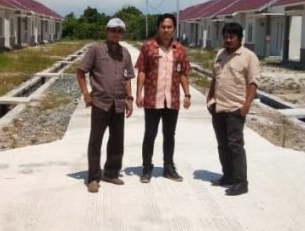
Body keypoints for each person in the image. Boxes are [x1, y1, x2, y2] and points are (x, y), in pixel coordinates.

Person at [76, 17, 135, 193]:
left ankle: (110, 172)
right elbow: (80, 72)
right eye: (113, 30)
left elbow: (127, 78)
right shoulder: (96, 49)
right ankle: (93, 178)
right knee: (96, 141)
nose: (116, 33)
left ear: (122, 34)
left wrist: (130, 99)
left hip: (119, 104)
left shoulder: (125, 53)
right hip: (100, 102)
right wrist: (86, 94)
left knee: (117, 141)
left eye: (119, 31)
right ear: (106, 31)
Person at [135, 13, 192, 183]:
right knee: (150, 134)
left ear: (174, 28)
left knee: (169, 135)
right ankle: (147, 167)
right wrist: (139, 93)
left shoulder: (180, 49)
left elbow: (183, 73)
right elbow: (142, 71)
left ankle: (168, 167)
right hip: (152, 99)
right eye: (163, 27)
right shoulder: (148, 47)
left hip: (172, 99)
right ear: (158, 28)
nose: (166, 30)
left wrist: (187, 94)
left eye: (169, 27)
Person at [206, 22, 260, 196]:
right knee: (222, 145)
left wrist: (246, 106)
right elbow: (215, 77)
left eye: (232, 37)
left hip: (235, 108)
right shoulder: (220, 54)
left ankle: (241, 182)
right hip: (218, 107)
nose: (228, 40)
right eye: (226, 36)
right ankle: (228, 175)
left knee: (235, 145)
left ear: (239, 38)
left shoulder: (248, 56)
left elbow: (253, 82)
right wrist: (210, 98)